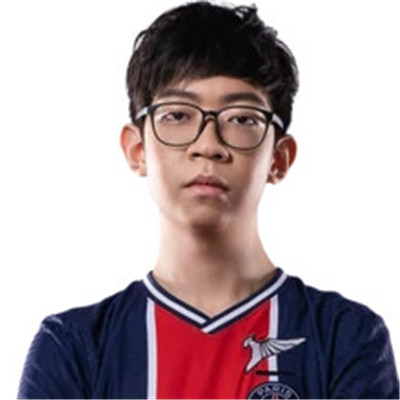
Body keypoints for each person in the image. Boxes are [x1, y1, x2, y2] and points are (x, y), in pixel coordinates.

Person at [17, 1, 399, 398]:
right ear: (136, 150)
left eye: (241, 119)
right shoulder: (74, 348)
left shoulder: (344, 338)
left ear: (279, 158)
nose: (208, 145)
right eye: (177, 115)